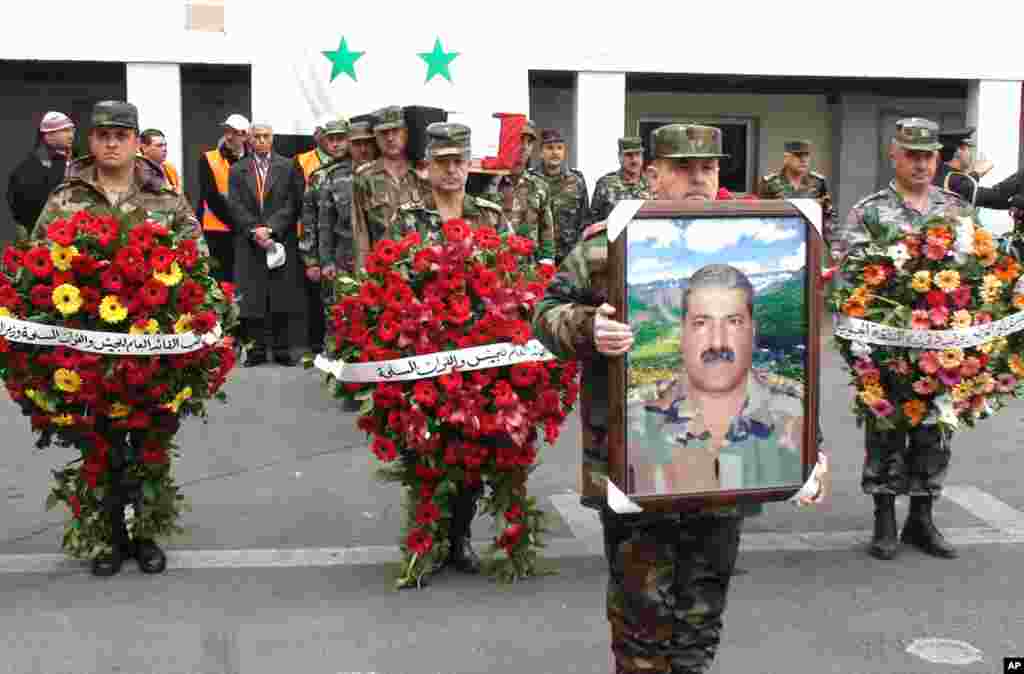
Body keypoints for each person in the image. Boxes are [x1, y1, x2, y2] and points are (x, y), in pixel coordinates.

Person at [533, 123, 828, 674]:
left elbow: (791, 358)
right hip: (634, 465)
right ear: (653, 173)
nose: (699, 178)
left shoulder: (761, 231)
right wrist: (585, 327)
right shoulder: (607, 242)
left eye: (709, 168)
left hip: (726, 470)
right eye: (683, 168)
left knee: (700, 622)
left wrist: (810, 446)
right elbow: (544, 316)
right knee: (642, 624)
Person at [32, 101, 208, 577]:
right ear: (90, 141)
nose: (111, 142)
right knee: (101, 445)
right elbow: (35, 265)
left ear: (135, 142)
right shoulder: (66, 197)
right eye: (103, 134)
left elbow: (197, 260)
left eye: (121, 135)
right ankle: (110, 536)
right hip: (87, 353)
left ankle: (147, 532)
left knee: (150, 443)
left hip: (152, 354)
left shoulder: (165, 199)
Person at [831, 117, 965, 561]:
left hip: (942, 349)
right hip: (886, 348)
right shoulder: (870, 212)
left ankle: (922, 519)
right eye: (912, 155)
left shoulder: (955, 208)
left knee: (935, 431)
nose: (921, 163)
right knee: (886, 430)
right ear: (895, 154)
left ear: (938, 158)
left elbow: (976, 269)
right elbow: (846, 278)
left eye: (928, 155)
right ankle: (885, 518)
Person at [391, 123, 510, 583]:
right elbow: (391, 279)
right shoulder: (407, 218)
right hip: (424, 351)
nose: (452, 170)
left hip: (479, 353)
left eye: (459, 161)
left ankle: (459, 536)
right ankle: (428, 539)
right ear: (426, 167)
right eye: (442, 162)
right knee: (425, 447)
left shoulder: (490, 215)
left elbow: (509, 276)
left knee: (473, 446)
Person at [629, 265, 803, 495]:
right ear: (682, 334)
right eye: (701, 323)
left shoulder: (797, 408)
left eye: (734, 321)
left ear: (752, 331)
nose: (718, 343)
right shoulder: (634, 416)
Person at [228, 123, 305, 367]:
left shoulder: (289, 165)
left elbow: (294, 202)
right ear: (249, 140)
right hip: (249, 242)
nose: (261, 140)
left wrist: (271, 228)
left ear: (272, 138)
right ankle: (256, 350)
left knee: (282, 296)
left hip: (279, 239)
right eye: (256, 137)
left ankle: (283, 350)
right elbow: (235, 205)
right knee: (251, 299)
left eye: (266, 136)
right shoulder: (237, 169)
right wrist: (255, 230)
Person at [351, 105, 426, 270]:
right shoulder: (364, 177)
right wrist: (363, 273)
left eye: (395, 131)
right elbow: (360, 231)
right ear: (376, 137)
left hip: (422, 268)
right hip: (383, 269)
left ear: (405, 133)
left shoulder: (424, 173)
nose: (390, 138)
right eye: (384, 133)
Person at [299, 118, 350, 354]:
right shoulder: (318, 176)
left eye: (342, 138)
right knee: (334, 311)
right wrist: (311, 260)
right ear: (324, 142)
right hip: (328, 256)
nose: (337, 144)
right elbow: (309, 221)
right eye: (332, 139)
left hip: (353, 252)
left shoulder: (360, 171)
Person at [485, 119, 555, 263]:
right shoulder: (487, 185)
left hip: (530, 270)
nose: (524, 147)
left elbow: (546, 231)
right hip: (494, 269)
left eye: (529, 142)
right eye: (519, 140)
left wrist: (547, 263)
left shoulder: (539, 186)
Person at [7, 111, 75, 242]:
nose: (71, 136)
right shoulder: (25, 171)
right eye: (65, 131)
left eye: (72, 131)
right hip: (38, 244)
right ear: (48, 136)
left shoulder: (68, 163)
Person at [198, 113, 250, 283]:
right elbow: (211, 197)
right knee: (220, 282)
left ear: (245, 135)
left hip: (247, 231)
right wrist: (238, 224)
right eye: (227, 131)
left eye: (234, 132)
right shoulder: (208, 158)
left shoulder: (254, 160)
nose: (228, 136)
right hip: (217, 230)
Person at [757, 140, 836, 239]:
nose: (803, 160)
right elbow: (760, 217)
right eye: (798, 156)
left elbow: (828, 218)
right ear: (786, 158)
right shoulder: (770, 183)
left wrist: (836, 251)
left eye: (807, 156)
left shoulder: (818, 182)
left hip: (809, 240)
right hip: (778, 239)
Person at [534, 128, 588, 264]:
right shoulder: (531, 181)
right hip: (537, 257)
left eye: (559, 148)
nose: (555, 152)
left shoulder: (577, 181)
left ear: (564, 152)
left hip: (568, 258)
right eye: (549, 148)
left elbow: (585, 221)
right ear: (541, 152)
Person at [588, 136, 651, 225]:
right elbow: (594, 222)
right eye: (629, 155)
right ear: (619, 156)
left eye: (637, 154)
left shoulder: (651, 184)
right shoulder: (605, 184)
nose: (634, 160)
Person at [138, 129, 182, 194]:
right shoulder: (138, 167)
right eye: (159, 146)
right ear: (144, 148)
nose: (164, 149)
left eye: (165, 145)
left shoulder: (168, 167)